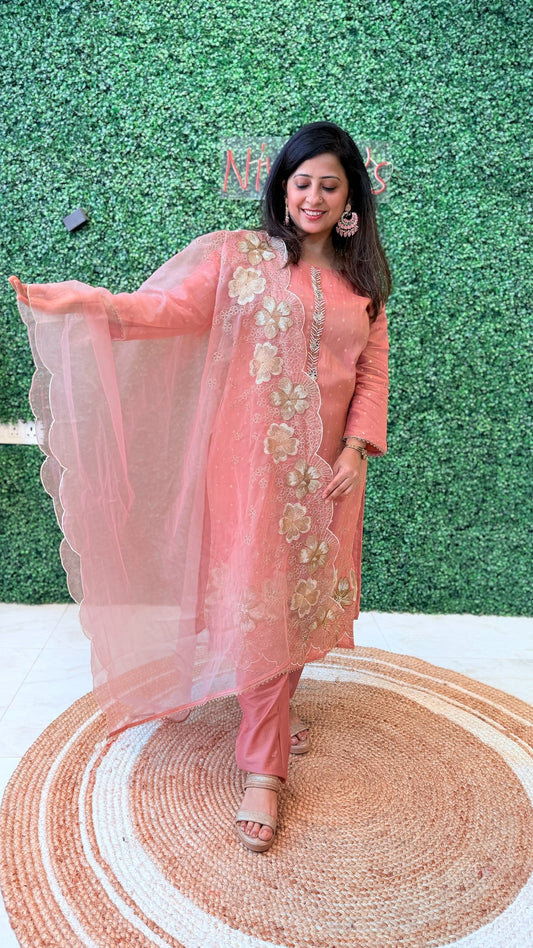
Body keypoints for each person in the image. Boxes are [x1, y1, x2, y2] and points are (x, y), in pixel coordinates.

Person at [10, 121, 391, 853]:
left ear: (351, 199)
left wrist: (355, 449)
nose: (312, 195)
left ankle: (270, 705)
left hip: (327, 478)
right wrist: (87, 305)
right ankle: (262, 768)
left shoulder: (362, 285)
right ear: (281, 186)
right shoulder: (239, 258)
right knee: (257, 597)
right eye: (301, 180)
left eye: (329, 184)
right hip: (248, 472)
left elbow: (372, 373)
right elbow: (163, 313)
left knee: (301, 598)